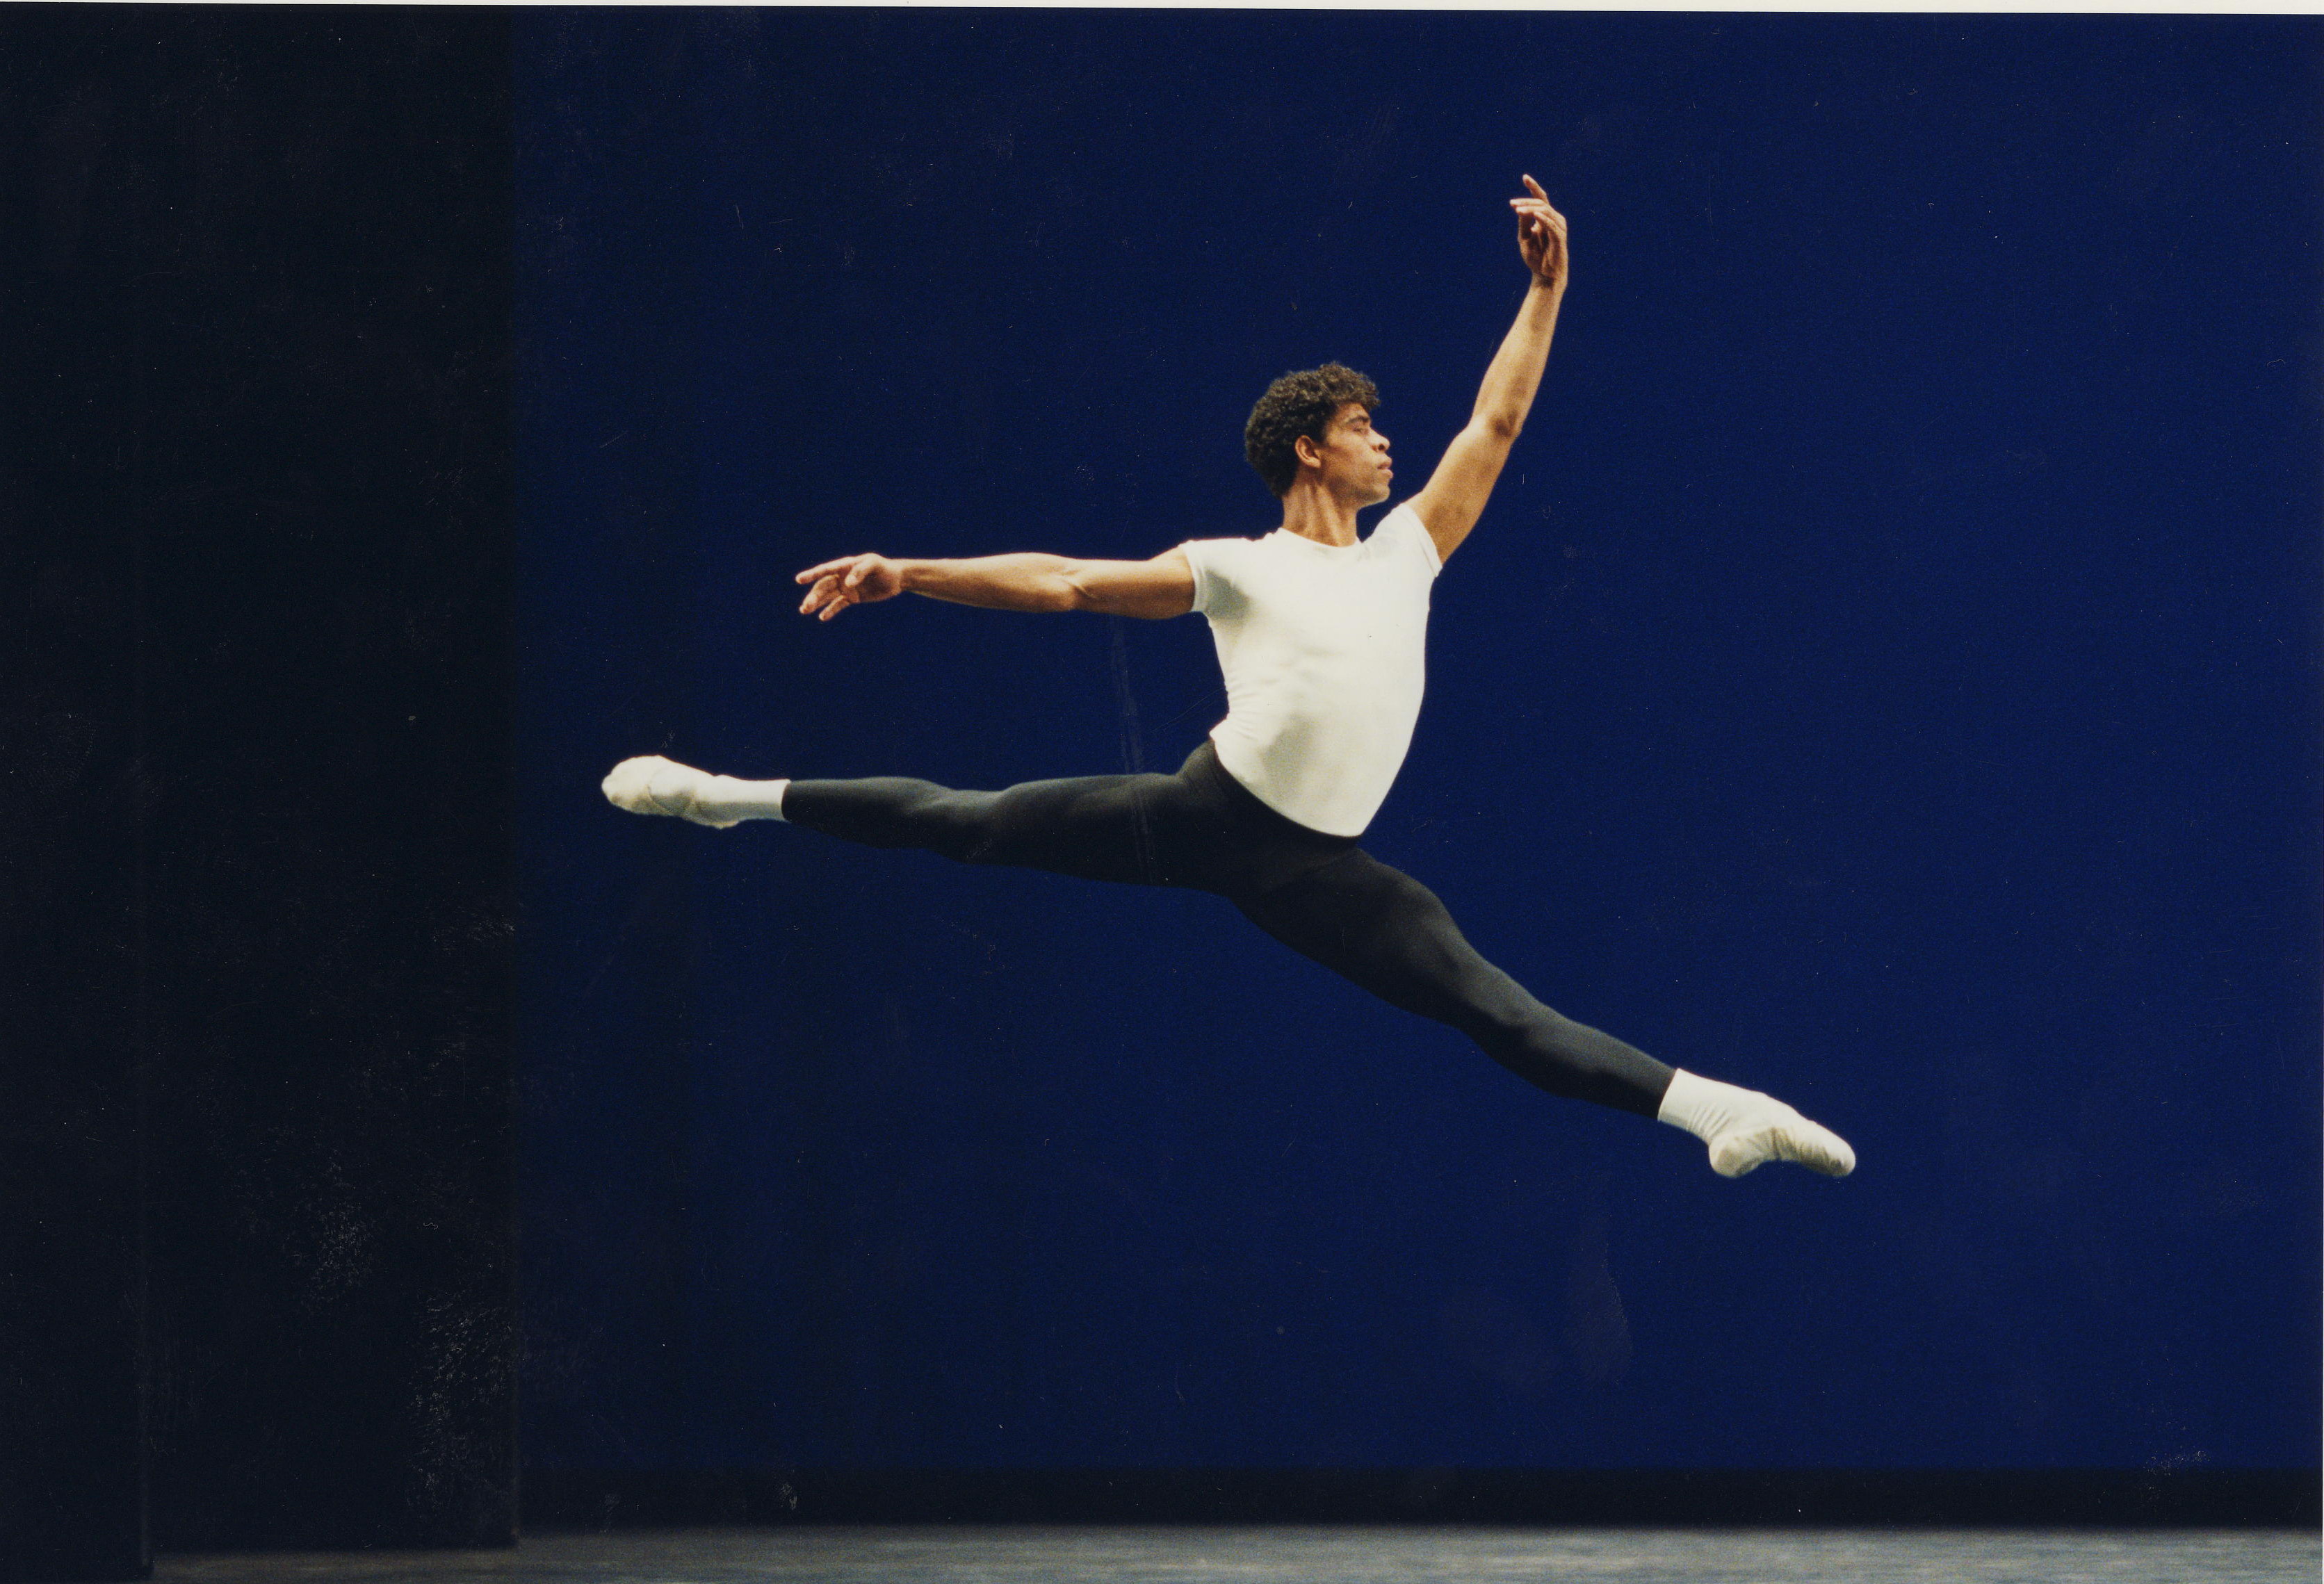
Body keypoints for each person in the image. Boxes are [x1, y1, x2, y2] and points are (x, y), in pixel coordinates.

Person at [604, 177, 1853, 1180]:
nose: (1391, 443)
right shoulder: (1236, 566)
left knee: (1499, 1012)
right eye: (1368, 429)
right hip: (1208, 817)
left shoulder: (1412, 548)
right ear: (1313, 448)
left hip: (1327, 868)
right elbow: (1071, 585)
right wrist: (910, 570)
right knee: (965, 823)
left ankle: (1724, 1112)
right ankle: (722, 796)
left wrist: (1547, 290)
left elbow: (1497, 424)